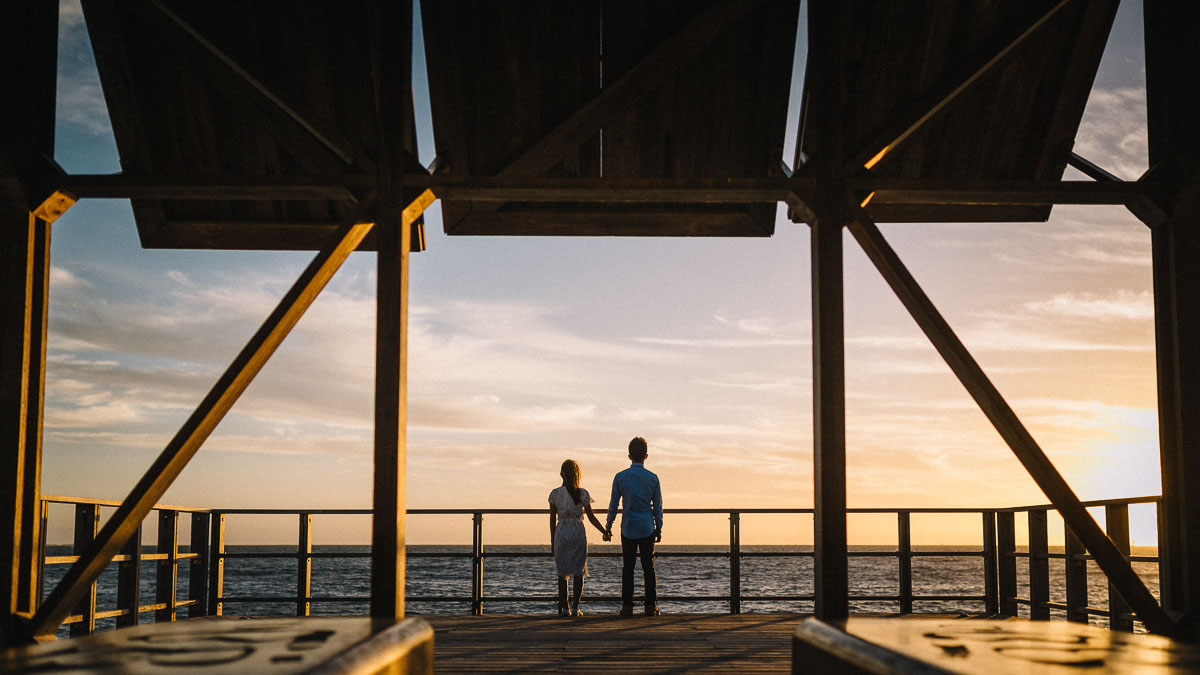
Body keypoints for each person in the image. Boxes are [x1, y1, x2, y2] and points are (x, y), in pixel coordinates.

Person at [605, 436, 663, 616]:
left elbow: (613, 504)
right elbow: (657, 507)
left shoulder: (620, 477)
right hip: (646, 527)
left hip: (628, 528)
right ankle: (650, 606)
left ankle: (627, 606)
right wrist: (658, 527)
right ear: (646, 456)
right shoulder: (653, 478)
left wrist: (608, 525)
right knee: (648, 568)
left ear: (629, 456)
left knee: (628, 569)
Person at [549, 459, 611, 617]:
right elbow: (591, 517)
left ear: (561, 474)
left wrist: (552, 541)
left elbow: (551, 520)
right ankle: (576, 608)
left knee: (562, 573)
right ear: (578, 475)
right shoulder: (582, 493)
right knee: (578, 572)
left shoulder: (555, 494)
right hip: (577, 531)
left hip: (561, 532)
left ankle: (565, 609)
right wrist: (605, 531)